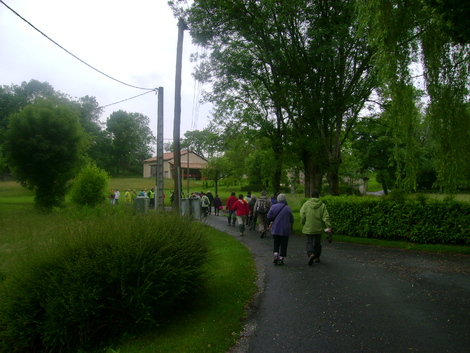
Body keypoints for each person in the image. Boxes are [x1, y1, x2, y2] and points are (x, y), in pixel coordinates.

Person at [300, 190, 332, 266]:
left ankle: (311, 253)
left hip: (309, 226)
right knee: (317, 242)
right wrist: (328, 226)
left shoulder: (306, 204)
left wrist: (303, 223)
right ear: (318, 196)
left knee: (309, 242)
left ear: (311, 196)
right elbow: (326, 217)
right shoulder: (322, 205)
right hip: (318, 227)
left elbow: (302, 215)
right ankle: (317, 256)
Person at [267, 193, 294, 265]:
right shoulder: (288, 208)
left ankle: (276, 254)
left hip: (276, 228)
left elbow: (269, 216)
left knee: (276, 242)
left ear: (278, 199)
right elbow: (291, 219)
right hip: (285, 229)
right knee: (284, 243)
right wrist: (291, 226)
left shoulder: (273, 207)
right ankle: (281, 257)